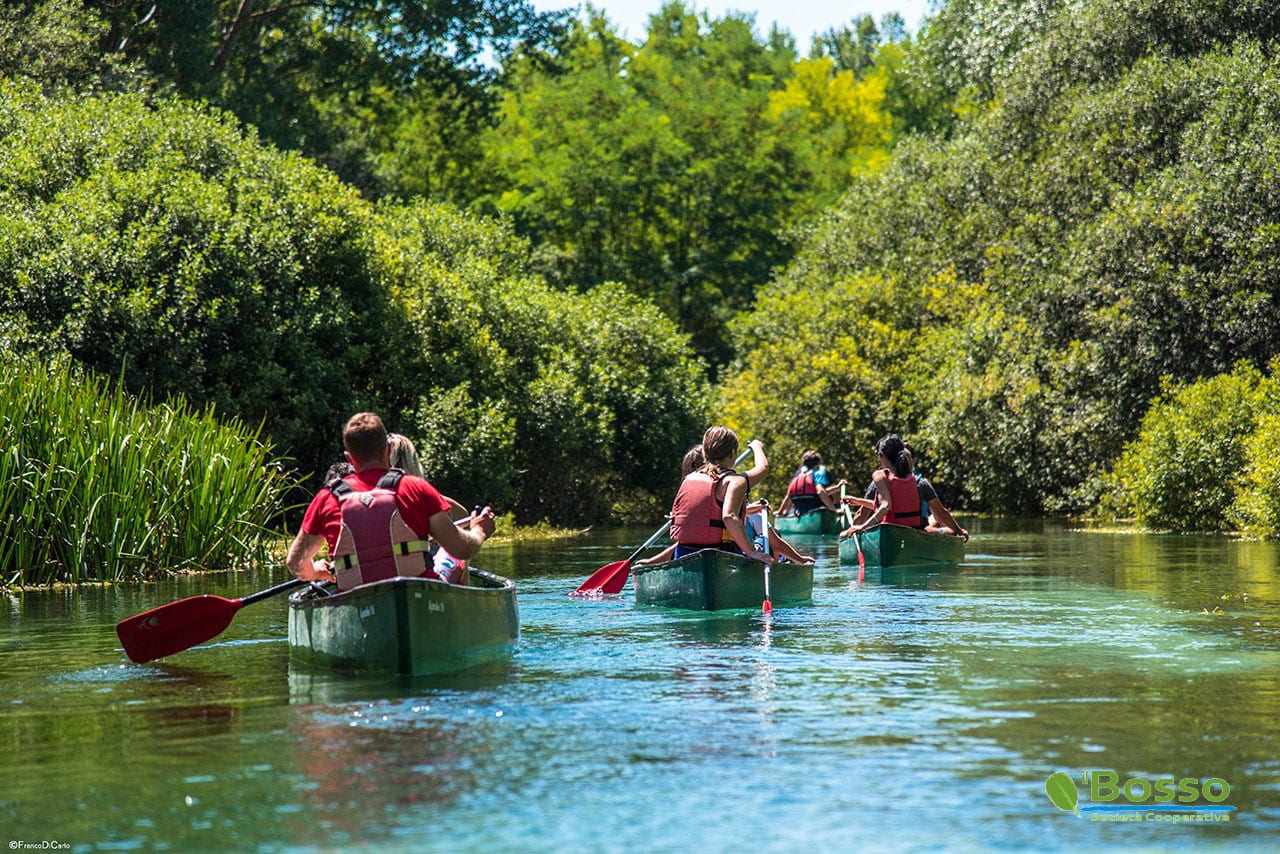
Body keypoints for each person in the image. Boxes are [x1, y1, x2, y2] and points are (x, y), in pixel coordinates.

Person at [286, 412, 495, 590]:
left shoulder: (326, 498)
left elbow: (296, 563)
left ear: (349, 458)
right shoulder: (415, 488)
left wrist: (316, 572)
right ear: (387, 449)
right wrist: (479, 531)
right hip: (417, 594)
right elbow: (462, 549)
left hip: (356, 600)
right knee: (456, 559)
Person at [666, 426, 771, 562]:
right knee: (761, 544)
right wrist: (757, 447)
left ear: (705, 453)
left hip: (683, 553)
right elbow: (729, 516)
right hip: (722, 553)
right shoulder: (735, 481)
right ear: (733, 453)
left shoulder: (690, 478)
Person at [841, 434, 967, 541]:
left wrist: (860, 528)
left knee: (842, 535)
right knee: (946, 530)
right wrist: (958, 530)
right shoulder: (921, 483)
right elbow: (941, 512)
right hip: (916, 533)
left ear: (883, 456)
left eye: (878, 455)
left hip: (889, 534)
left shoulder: (878, 480)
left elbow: (882, 507)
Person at [777, 450, 845, 516]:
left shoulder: (797, 476)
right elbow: (820, 492)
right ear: (818, 463)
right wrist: (834, 510)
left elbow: (788, 497)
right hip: (815, 512)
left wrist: (780, 512)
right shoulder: (818, 473)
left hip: (799, 513)